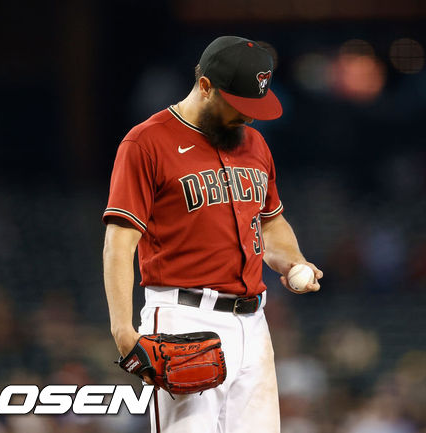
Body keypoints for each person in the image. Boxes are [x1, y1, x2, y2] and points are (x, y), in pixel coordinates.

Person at [102, 36, 323, 433]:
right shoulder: (146, 142)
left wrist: (293, 261)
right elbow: (120, 241)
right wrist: (122, 329)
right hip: (183, 319)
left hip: (254, 322)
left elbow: (270, 222)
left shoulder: (253, 144)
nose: (250, 118)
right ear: (205, 86)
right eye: (239, 107)